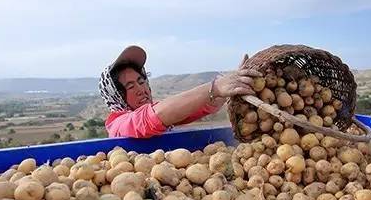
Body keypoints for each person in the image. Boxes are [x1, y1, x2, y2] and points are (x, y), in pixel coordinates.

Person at [98, 45, 262, 138]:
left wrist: (231, 86)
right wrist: (216, 87)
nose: (141, 89)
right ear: (116, 96)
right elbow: (150, 118)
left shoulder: (164, 114)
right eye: (130, 86)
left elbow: (199, 107)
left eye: (141, 81)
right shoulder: (118, 125)